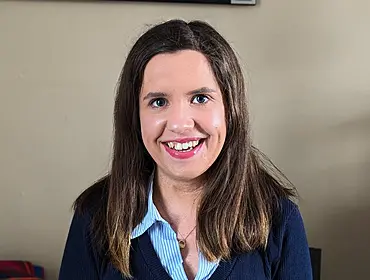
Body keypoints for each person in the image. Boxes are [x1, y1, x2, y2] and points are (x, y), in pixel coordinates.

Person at [59, 19, 312, 280]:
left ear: (230, 110)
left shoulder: (280, 219)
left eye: (200, 98)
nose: (180, 123)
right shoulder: (94, 216)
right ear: (135, 116)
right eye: (158, 101)